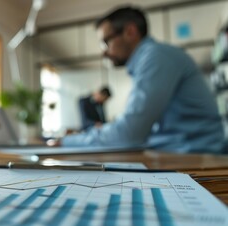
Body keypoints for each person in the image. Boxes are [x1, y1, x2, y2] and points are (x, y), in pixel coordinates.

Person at [61, 6, 224, 154]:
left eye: (106, 42)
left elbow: (129, 133)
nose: (104, 52)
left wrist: (66, 142)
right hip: (181, 150)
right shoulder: (151, 59)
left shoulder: (156, 57)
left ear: (130, 32)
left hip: (198, 154)